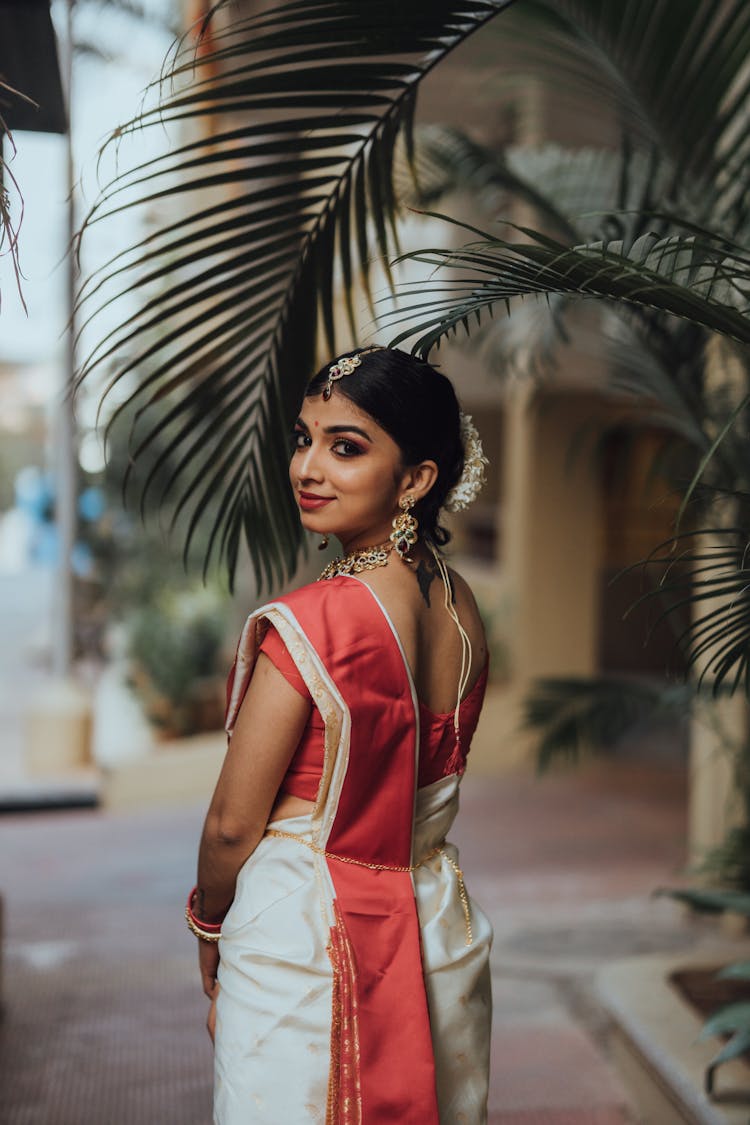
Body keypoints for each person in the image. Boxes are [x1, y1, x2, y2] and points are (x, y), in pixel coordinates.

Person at [187, 345, 493, 1124]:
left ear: (418, 478)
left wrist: (209, 923)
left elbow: (230, 824)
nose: (307, 467)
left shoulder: (318, 622)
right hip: (431, 924)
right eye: (302, 438)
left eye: (345, 446)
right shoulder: (461, 609)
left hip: (305, 938)